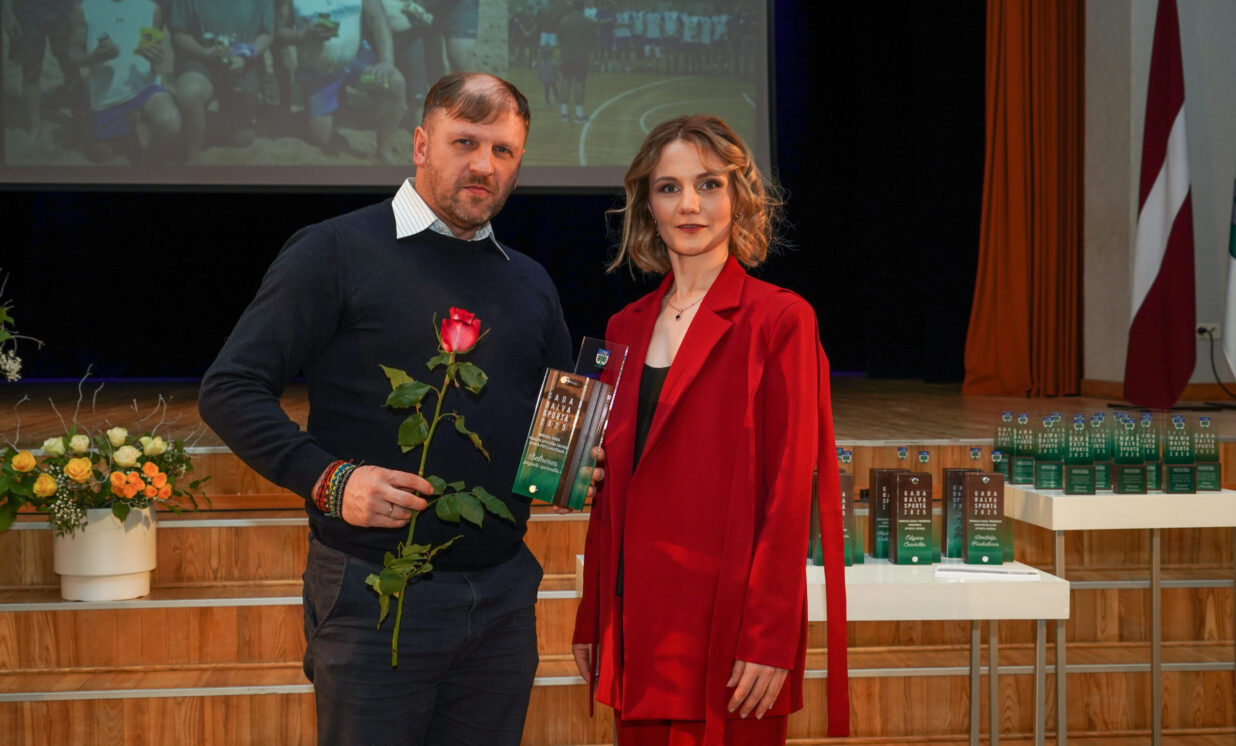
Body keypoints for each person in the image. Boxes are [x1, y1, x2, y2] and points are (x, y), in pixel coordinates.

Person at [198, 72, 576, 746]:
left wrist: (574, 464)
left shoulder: (530, 281)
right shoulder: (334, 251)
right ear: (421, 144)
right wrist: (331, 480)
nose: (484, 166)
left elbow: (552, 422)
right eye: (465, 142)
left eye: (504, 150)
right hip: (374, 594)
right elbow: (230, 387)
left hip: (504, 598)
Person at [571, 115, 850, 744]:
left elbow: (788, 494)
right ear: (647, 205)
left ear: (739, 196)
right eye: (668, 188)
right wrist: (594, 615)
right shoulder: (623, 327)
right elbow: (612, 496)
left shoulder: (781, 320)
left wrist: (770, 635)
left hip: (729, 633)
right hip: (637, 624)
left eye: (709, 184)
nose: (689, 205)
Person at [275, 0, 406, 164]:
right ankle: (319, 113)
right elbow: (279, 32)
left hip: (355, 70)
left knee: (393, 82)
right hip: (321, 77)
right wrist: (302, 35)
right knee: (321, 139)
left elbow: (378, 18)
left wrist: (387, 60)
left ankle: (384, 148)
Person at [69, 0, 183, 163]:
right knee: (104, 159)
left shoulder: (151, 9)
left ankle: (146, 166)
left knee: (170, 120)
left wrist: (156, 57)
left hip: (143, 88)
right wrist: (94, 57)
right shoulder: (84, 9)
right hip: (106, 98)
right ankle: (130, 123)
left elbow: (152, 48)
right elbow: (74, 53)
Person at [170, 0, 275, 162]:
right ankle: (193, 152)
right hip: (202, 60)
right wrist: (205, 52)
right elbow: (179, 32)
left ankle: (198, 125)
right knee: (190, 92)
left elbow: (268, 34)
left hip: (242, 63)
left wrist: (246, 56)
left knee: (243, 138)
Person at [557, 0, 595, 124]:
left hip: (566, 56)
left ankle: (564, 114)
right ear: (583, 9)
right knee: (579, 83)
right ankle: (578, 115)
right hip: (581, 57)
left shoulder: (564, 21)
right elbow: (592, 41)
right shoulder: (588, 22)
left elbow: (559, 38)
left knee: (565, 82)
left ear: (573, 8)